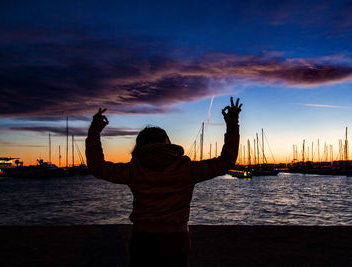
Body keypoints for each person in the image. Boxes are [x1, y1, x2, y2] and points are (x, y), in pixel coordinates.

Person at [85, 97, 242, 267]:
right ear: (167, 142)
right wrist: (232, 124)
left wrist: (94, 132)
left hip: (142, 240)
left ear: (140, 145)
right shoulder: (186, 168)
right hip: (177, 240)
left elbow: (97, 167)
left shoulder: (134, 169)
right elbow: (225, 162)